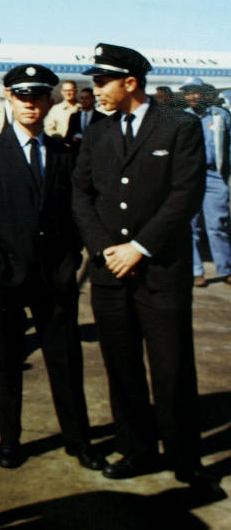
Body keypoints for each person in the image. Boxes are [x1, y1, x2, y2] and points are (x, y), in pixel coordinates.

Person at [72, 43, 213, 488]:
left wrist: (139, 248)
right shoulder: (98, 130)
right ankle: (136, 449)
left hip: (160, 271)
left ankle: (185, 456)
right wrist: (104, 249)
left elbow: (185, 195)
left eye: (101, 81)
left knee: (171, 367)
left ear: (129, 83)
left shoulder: (179, 125)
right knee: (122, 365)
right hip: (109, 271)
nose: (95, 90)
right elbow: (82, 195)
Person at [0, 64, 105, 472]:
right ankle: (10, 440)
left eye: (38, 97)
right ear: (9, 97)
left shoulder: (63, 154)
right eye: (22, 96)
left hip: (54, 277)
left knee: (66, 360)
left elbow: (77, 213)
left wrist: (71, 260)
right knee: (7, 362)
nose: (30, 105)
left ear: (49, 101)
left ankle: (79, 439)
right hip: (6, 274)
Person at [181, 83, 231, 287]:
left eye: (196, 92)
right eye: (188, 93)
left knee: (217, 224)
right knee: (189, 225)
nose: (192, 96)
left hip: (214, 175)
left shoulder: (220, 116)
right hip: (188, 176)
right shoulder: (181, 117)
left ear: (204, 95)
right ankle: (196, 271)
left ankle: (226, 268)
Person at [65, 86, 105, 151]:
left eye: (87, 98)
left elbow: (103, 138)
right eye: (81, 98)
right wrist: (73, 139)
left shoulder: (101, 117)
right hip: (77, 153)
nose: (83, 101)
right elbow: (67, 138)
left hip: (95, 153)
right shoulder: (74, 116)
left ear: (93, 99)